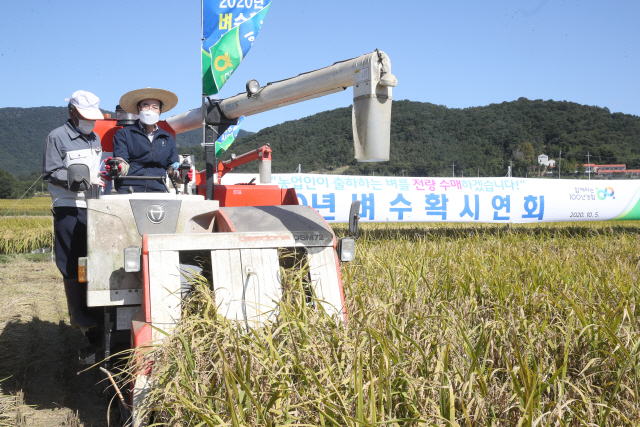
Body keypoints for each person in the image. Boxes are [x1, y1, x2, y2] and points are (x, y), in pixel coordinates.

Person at [43, 90, 108, 329]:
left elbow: (96, 169)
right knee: (71, 259)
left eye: (93, 117)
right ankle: (77, 314)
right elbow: (51, 172)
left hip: (93, 206)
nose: (90, 121)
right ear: (71, 112)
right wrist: (86, 179)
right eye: (85, 116)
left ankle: (94, 307)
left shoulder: (95, 139)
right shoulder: (57, 137)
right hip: (68, 206)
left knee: (92, 258)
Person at [111, 87, 189, 193]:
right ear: (138, 109)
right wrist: (119, 167)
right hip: (129, 188)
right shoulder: (123, 134)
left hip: (158, 189)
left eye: (155, 107)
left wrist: (180, 172)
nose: (150, 110)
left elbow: (172, 165)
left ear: (160, 112)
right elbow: (121, 160)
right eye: (145, 105)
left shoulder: (167, 138)